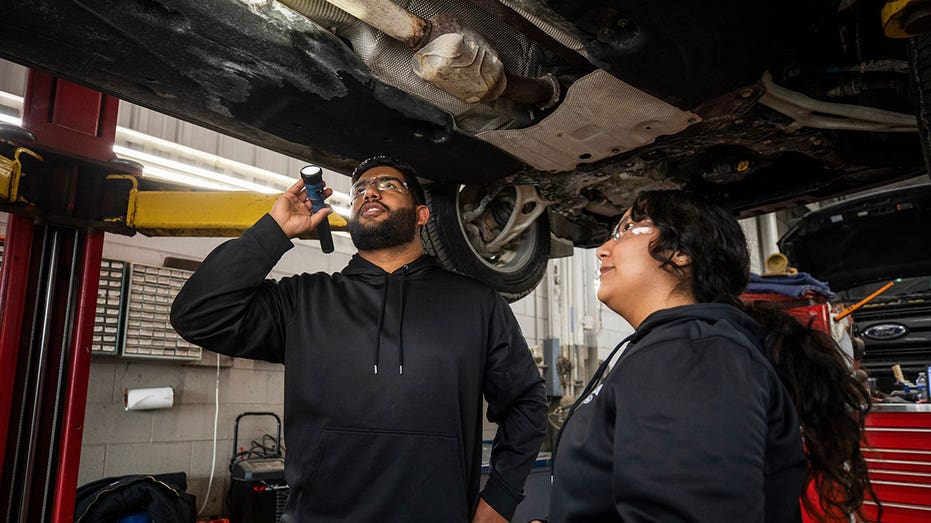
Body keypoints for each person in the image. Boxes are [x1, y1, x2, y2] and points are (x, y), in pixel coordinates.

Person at [170, 156, 547, 522]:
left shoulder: (476, 303)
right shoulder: (303, 300)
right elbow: (197, 315)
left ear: (422, 215)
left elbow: (526, 403)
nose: (370, 193)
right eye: (360, 189)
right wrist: (274, 229)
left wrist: (499, 498)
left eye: (388, 185)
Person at [544, 190, 876, 522]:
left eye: (627, 229)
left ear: (680, 251)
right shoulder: (679, 347)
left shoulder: (692, 356)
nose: (603, 250)